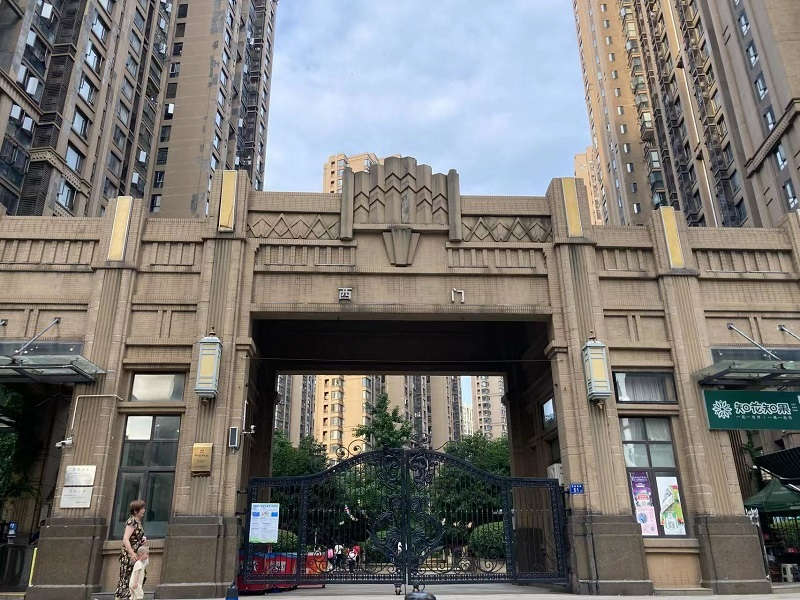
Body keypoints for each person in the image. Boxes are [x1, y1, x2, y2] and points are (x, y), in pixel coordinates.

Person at [114, 499, 147, 599]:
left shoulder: (137, 522)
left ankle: (133, 597)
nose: (144, 510)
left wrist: (142, 540)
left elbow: (134, 537)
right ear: (136, 511)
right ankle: (123, 598)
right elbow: (125, 539)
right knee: (127, 579)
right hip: (130, 557)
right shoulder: (132, 521)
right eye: (142, 508)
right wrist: (132, 554)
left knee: (138, 578)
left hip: (136, 556)